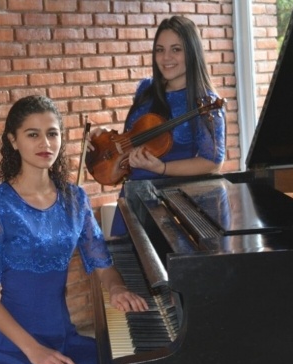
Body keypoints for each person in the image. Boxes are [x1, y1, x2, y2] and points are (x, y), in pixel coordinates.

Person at [0, 95, 149, 364]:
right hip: (17, 350)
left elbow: (102, 263)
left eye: (52, 133)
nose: (46, 143)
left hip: (64, 338)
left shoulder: (75, 199)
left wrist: (116, 288)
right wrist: (34, 350)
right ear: (13, 141)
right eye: (33, 134)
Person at [89, 16, 226, 237]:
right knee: (125, 268)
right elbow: (135, 135)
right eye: (160, 50)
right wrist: (104, 140)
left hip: (174, 207)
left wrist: (161, 169)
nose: (166, 58)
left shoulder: (205, 102)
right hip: (133, 198)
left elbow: (212, 162)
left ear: (192, 52)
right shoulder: (146, 88)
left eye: (176, 50)